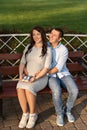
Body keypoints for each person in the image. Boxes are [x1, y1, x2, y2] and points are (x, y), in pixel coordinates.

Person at [16, 26, 52, 129]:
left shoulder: (47, 49)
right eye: (34, 34)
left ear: (42, 35)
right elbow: (22, 62)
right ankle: (25, 114)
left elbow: (46, 68)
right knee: (19, 88)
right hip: (27, 76)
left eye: (38, 34)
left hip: (40, 78)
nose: (36, 36)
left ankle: (33, 115)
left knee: (29, 89)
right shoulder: (28, 47)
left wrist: (35, 78)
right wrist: (20, 75)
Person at [47, 28, 78, 126]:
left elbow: (59, 67)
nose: (51, 36)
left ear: (60, 39)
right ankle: (59, 113)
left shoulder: (63, 49)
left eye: (55, 35)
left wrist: (44, 73)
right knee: (56, 91)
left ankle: (67, 110)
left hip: (63, 74)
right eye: (51, 33)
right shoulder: (45, 46)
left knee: (75, 91)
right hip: (51, 76)